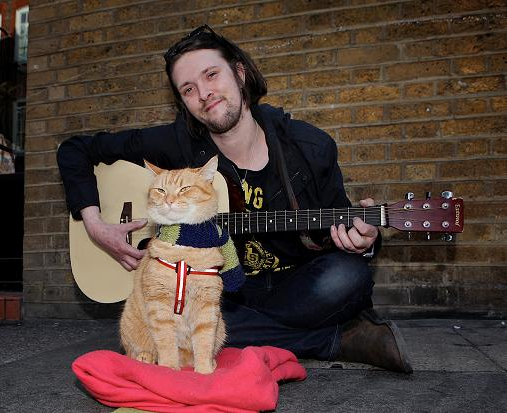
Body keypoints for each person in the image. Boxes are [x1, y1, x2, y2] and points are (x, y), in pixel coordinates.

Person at [57, 25, 412, 373]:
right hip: (212, 289)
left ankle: (247, 336)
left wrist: (364, 241)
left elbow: (342, 226)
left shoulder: (310, 147)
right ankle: (331, 340)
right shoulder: (175, 144)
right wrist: (95, 224)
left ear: (239, 73)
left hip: (293, 286)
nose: (204, 93)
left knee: (349, 276)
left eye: (212, 75)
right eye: (189, 89)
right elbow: (75, 150)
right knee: (181, 312)